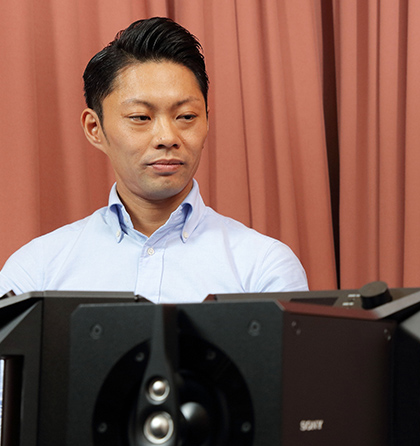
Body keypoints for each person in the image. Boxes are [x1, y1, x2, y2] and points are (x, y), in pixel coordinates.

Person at [0, 17, 308, 303]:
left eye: (186, 116)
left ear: (207, 121)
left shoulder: (264, 267)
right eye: (140, 117)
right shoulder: (35, 272)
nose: (167, 137)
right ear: (95, 128)